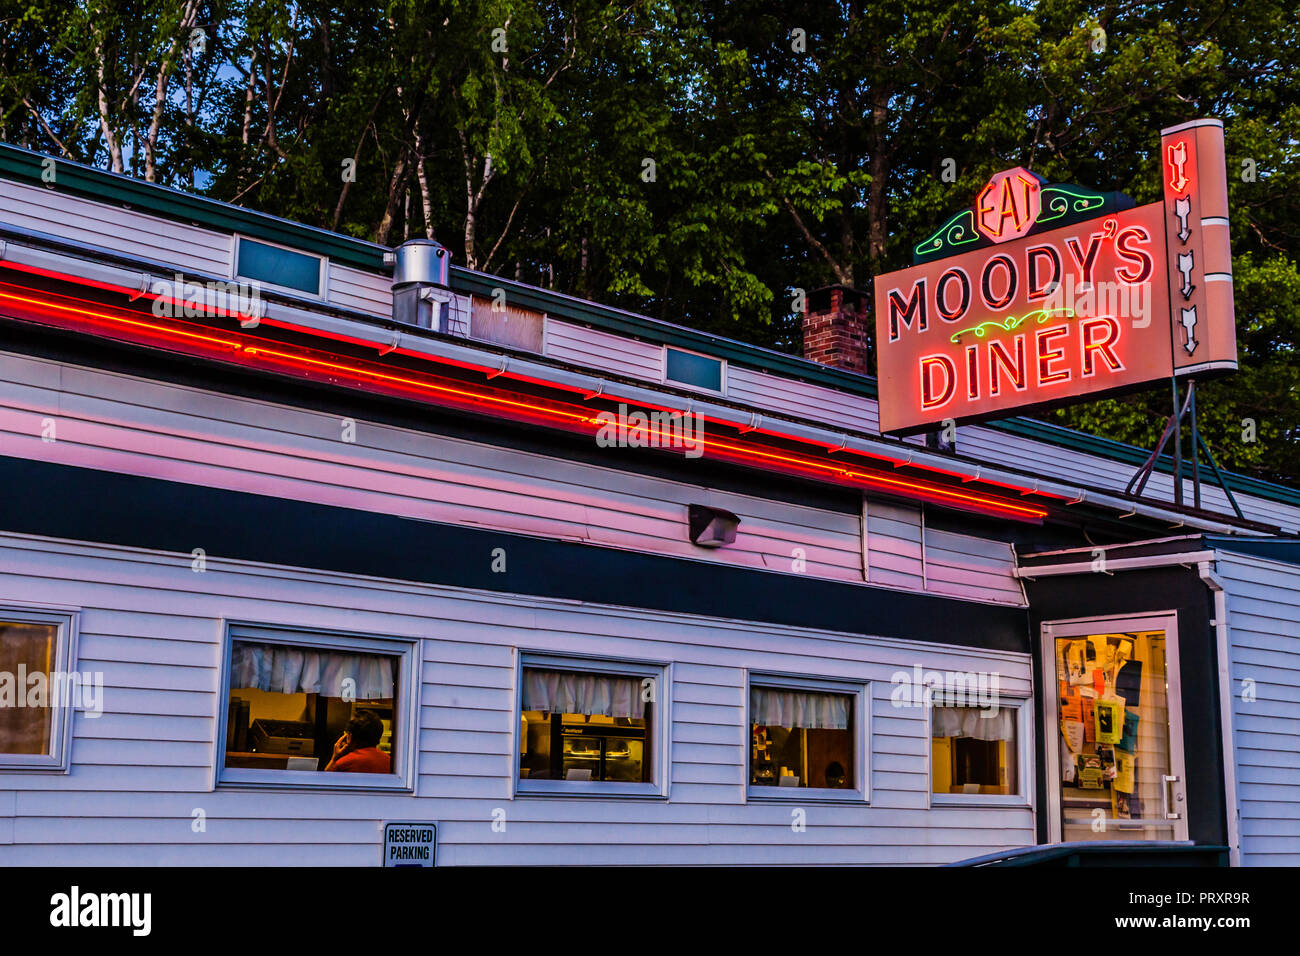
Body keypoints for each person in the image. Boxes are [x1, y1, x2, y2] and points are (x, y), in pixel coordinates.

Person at [325, 709, 391, 773]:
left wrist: (334, 759)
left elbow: (324, 781)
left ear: (350, 736)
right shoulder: (390, 762)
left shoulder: (343, 763)